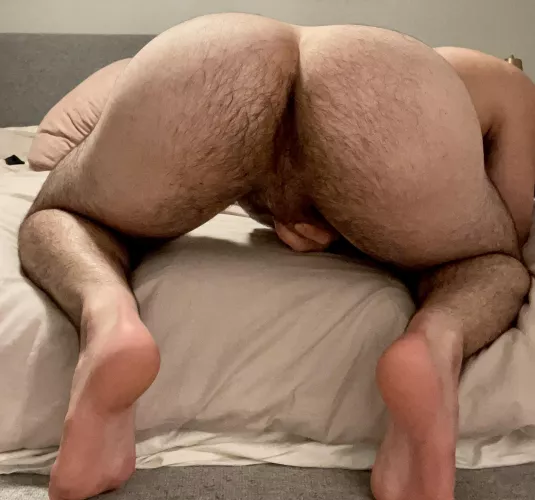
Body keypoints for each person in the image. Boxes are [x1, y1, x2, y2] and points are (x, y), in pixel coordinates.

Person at [17, 14, 534, 500]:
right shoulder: (499, 78)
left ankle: (108, 318)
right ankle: (435, 343)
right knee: (490, 264)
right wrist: (356, 228)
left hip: (205, 55)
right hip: (398, 97)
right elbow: (512, 226)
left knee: (63, 215)